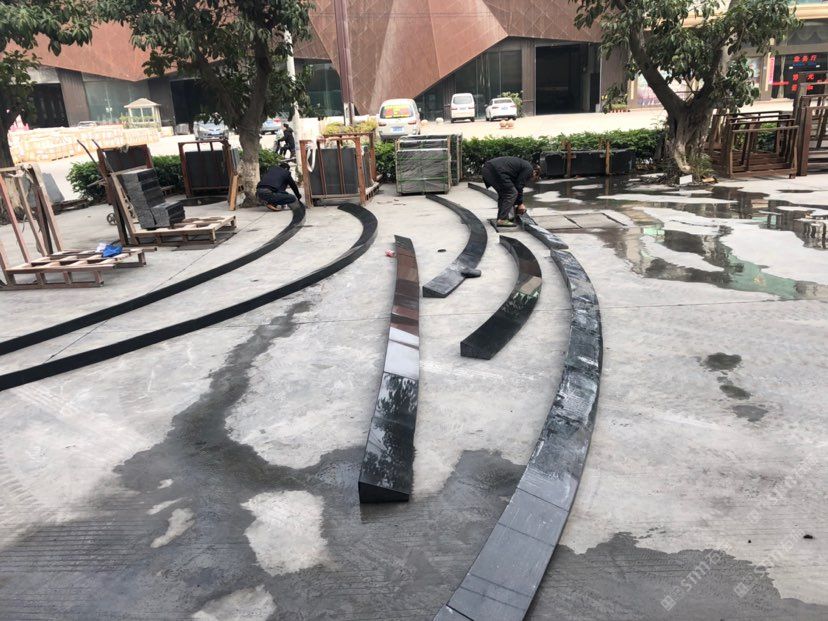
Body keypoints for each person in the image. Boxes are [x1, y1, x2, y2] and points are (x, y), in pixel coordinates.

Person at [481, 156, 540, 227]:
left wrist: (517, 203)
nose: (529, 179)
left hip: (487, 169)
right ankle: (502, 219)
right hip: (495, 170)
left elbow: (515, 186)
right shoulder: (529, 169)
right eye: (534, 178)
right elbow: (519, 186)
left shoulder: (523, 166)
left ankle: (501, 218)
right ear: (535, 172)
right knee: (512, 193)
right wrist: (520, 204)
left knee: (505, 194)